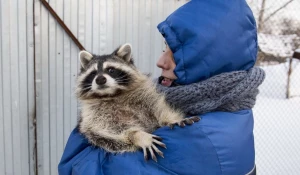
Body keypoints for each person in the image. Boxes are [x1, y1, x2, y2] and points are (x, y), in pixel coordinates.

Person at [58, 0, 265, 174]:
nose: (160, 61)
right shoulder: (226, 112)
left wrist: (85, 135)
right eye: (163, 48)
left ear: (208, 62)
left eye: (174, 54)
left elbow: (78, 168)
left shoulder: (201, 137)